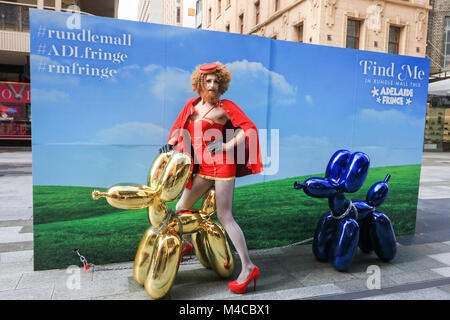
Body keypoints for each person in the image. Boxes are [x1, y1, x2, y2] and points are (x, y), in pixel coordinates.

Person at [159, 62, 263, 294]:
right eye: (208, 81)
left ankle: (248, 267)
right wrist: (171, 143)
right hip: (203, 167)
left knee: (225, 216)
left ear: (222, 84)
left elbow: (249, 130)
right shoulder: (192, 105)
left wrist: (226, 145)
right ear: (200, 83)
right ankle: (185, 245)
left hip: (223, 166)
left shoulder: (225, 107)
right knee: (182, 206)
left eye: (217, 81)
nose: (213, 85)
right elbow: (180, 129)